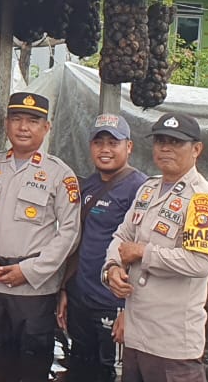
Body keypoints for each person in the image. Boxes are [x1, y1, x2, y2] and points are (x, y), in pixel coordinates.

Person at [105, 113, 208, 382]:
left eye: (175, 142)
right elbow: (121, 236)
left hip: (172, 343)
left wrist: (144, 253)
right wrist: (111, 268)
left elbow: (200, 263)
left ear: (196, 149)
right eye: (160, 141)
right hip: (136, 336)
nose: (165, 149)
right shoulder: (147, 190)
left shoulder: (205, 199)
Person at [0, 92, 81, 354]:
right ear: (6, 123)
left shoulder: (60, 174)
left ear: (46, 127)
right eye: (16, 119)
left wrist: (30, 271)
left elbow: (70, 233)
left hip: (34, 291)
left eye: (32, 121)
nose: (23, 127)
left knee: (30, 372)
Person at [57, 113, 148, 368]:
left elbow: (141, 254)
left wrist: (130, 311)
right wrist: (65, 288)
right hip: (80, 300)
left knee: (113, 380)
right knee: (81, 371)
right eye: (98, 143)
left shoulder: (140, 189)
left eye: (113, 142)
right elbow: (78, 241)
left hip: (113, 304)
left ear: (128, 147)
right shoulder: (87, 185)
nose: (105, 149)